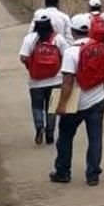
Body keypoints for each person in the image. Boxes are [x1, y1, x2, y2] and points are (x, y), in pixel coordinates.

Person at [51, 13, 104, 186]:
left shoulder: (70, 52)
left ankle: (63, 172)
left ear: (73, 31)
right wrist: (100, 91)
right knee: (95, 138)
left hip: (75, 101)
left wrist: (61, 104)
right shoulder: (100, 48)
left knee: (65, 137)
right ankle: (93, 175)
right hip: (98, 99)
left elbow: (68, 82)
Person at [20, 11, 69, 145]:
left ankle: (39, 127)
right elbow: (67, 56)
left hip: (35, 81)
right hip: (56, 79)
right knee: (51, 107)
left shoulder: (30, 39)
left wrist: (31, 64)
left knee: (37, 106)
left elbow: (23, 57)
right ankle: (50, 133)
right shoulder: (58, 39)